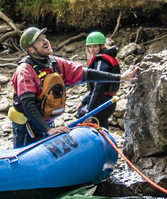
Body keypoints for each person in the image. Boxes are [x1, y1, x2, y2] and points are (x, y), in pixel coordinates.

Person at [9, 27, 137, 148]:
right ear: (31, 50)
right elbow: (28, 105)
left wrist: (120, 77)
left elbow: (87, 74)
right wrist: (49, 130)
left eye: (44, 37)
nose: (45, 41)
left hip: (45, 121)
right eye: (39, 40)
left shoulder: (55, 63)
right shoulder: (25, 70)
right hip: (27, 126)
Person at [75, 31, 121, 128]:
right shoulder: (104, 58)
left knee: (84, 116)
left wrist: (89, 112)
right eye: (90, 47)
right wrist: (84, 101)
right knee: (101, 125)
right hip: (108, 101)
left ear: (102, 46)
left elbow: (98, 88)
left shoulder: (101, 61)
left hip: (103, 102)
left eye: (95, 46)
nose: (92, 50)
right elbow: (96, 90)